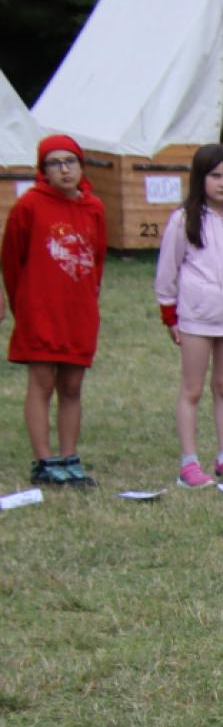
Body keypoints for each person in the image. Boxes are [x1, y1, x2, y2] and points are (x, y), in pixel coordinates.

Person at [4, 135, 107, 489]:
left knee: (72, 385)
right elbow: (12, 259)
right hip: (41, 309)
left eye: (70, 161)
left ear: (81, 166)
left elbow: (97, 258)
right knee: (42, 382)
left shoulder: (94, 207)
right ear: (43, 170)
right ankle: (44, 460)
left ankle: (69, 456)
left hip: (79, 310)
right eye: (55, 163)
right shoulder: (29, 206)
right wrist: (23, 304)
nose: (64, 170)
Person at [154, 143, 223, 488]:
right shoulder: (184, 220)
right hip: (197, 318)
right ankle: (189, 463)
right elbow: (168, 270)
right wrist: (169, 314)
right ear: (200, 178)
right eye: (216, 176)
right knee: (193, 389)